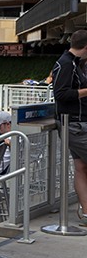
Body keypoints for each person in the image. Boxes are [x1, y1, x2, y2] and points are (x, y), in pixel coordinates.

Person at [51, 29, 87, 224]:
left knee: (81, 167)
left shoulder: (72, 63)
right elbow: (62, 94)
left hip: (74, 124)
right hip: (75, 124)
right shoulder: (67, 65)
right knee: (81, 167)